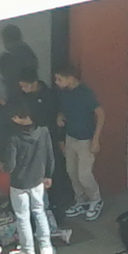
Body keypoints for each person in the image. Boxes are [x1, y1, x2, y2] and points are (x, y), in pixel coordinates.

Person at [43, 57, 103, 229]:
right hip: (70, 137)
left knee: (84, 174)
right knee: (71, 171)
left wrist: (96, 139)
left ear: (70, 78)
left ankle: (96, 199)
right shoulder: (63, 93)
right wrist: (60, 116)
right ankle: (80, 200)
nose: (57, 82)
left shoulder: (85, 93)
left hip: (85, 140)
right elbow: (64, 109)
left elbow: (100, 113)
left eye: (59, 79)